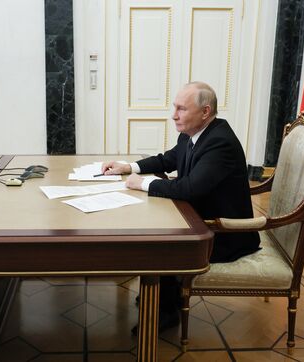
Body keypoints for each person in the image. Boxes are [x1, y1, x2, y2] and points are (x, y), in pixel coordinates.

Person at [102, 81, 260, 333]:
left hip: (225, 234)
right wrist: (129, 167)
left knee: (160, 242)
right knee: (158, 226)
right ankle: (166, 295)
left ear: (205, 112)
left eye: (181, 109)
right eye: (175, 107)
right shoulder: (193, 133)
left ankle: (165, 312)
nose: (174, 115)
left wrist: (143, 184)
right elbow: (167, 159)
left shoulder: (220, 143)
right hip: (200, 218)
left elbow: (189, 189)